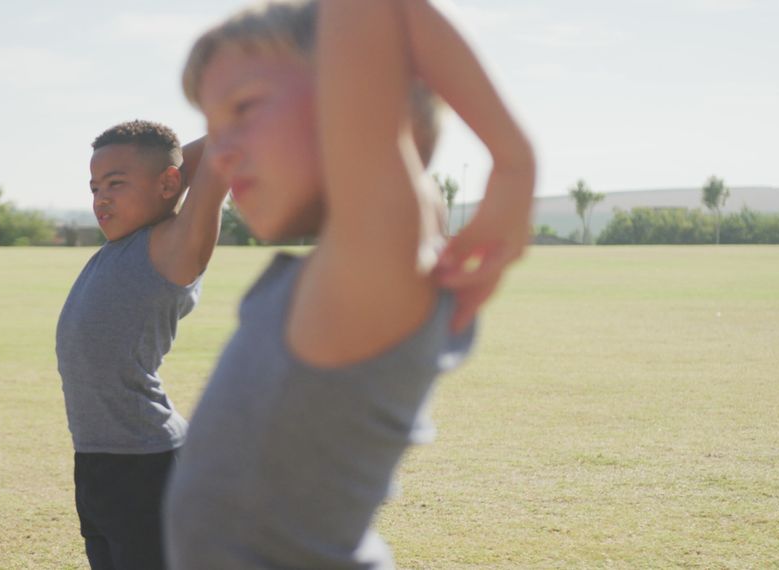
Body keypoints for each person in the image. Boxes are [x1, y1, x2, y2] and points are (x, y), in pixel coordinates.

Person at [164, 1, 536, 568]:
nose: (221, 152)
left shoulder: (370, 266)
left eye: (245, 107)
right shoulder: (343, 269)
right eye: (213, 130)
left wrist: (514, 163)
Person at [56, 119, 227, 570]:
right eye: (94, 187)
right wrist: (156, 164)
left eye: (116, 184)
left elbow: (219, 156)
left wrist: (246, 111)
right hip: (98, 462)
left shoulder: (173, 247)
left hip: (148, 467)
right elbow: (168, 166)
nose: (101, 199)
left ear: (170, 184)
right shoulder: (127, 243)